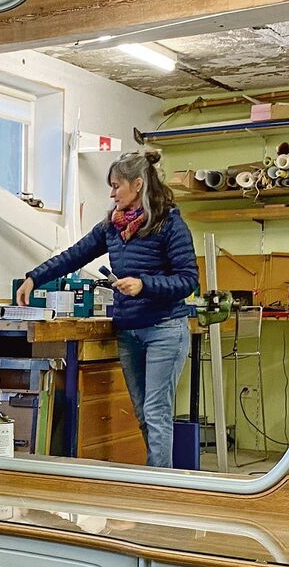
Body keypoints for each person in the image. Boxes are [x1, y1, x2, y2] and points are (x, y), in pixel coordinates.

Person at [17, 151, 199, 468]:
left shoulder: (170, 224)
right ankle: (159, 478)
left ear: (138, 184)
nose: (112, 194)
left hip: (165, 329)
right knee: (144, 413)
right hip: (129, 331)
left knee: (156, 412)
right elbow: (74, 255)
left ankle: (159, 487)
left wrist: (144, 285)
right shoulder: (112, 227)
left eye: (116, 186)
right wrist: (34, 277)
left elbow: (188, 280)